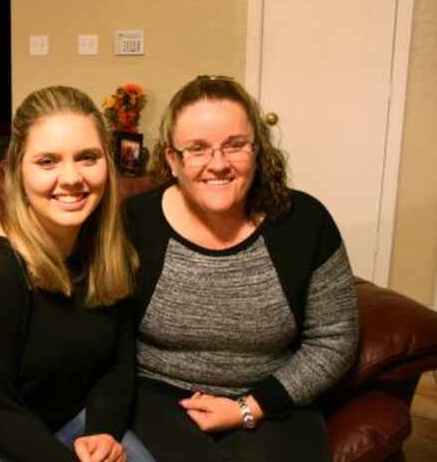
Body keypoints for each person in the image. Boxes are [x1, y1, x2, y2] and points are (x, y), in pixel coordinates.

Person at [125, 75, 359, 462]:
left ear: (258, 150)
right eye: (197, 149)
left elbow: (334, 339)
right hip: (154, 398)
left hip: (270, 399)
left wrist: (248, 407)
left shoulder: (304, 222)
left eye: (235, 146)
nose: (218, 165)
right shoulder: (135, 222)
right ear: (172, 159)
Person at [0, 86, 155, 462]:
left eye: (87, 158)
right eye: (47, 161)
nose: (71, 178)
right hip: (6, 444)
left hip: (80, 425)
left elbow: (118, 363)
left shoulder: (109, 245)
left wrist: (103, 431)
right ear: (17, 169)